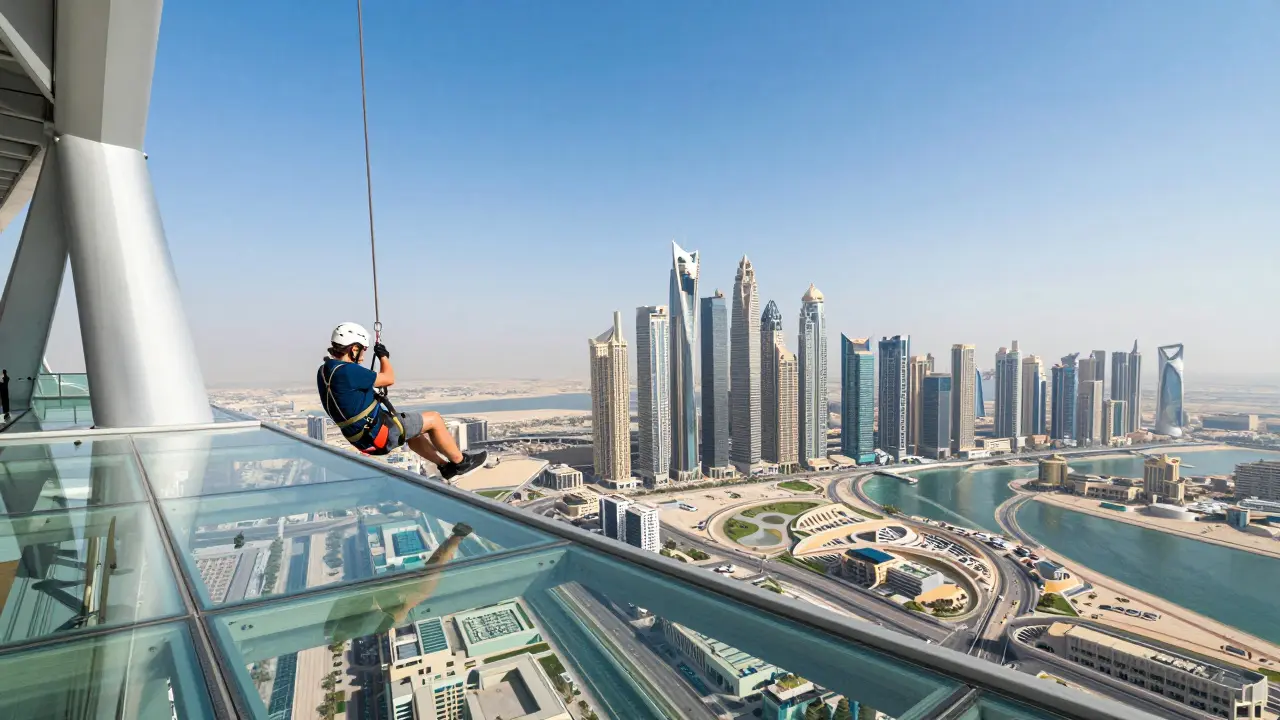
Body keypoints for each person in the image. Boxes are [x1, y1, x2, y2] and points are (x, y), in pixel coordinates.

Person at [317, 322, 486, 479]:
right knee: (434, 419)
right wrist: (384, 357)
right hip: (380, 434)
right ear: (354, 348)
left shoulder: (324, 371)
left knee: (413, 433)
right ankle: (461, 462)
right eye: (363, 350)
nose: (363, 356)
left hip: (362, 440)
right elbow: (389, 378)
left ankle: (444, 466)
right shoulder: (348, 371)